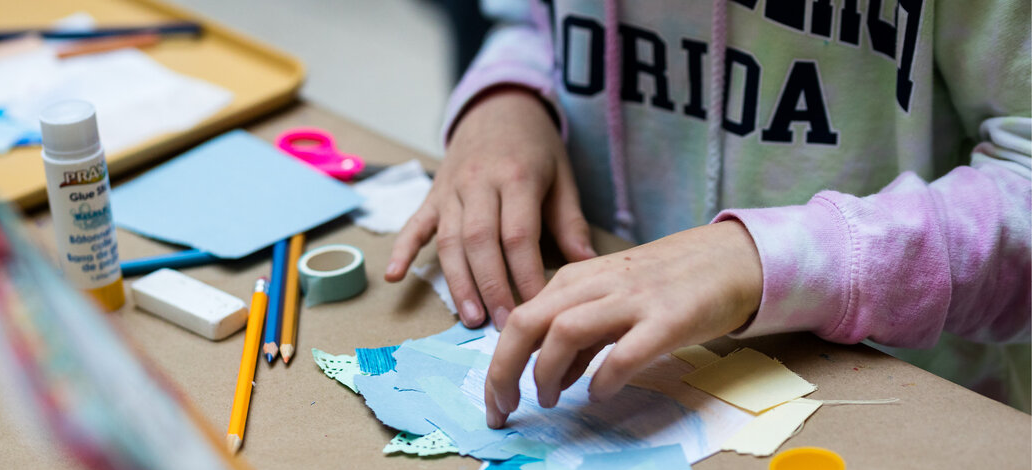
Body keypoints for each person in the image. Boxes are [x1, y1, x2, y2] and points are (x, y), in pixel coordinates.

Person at [383, 0, 1031, 422]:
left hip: (897, 405)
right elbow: (526, 19)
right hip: (630, 379)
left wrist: (762, 260)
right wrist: (506, 98)